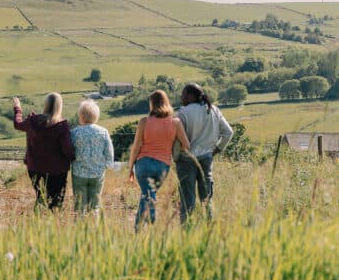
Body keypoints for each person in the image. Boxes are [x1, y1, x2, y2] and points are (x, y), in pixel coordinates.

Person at [127, 90, 191, 229]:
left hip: (143, 164)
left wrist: (131, 167)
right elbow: (186, 145)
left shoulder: (144, 122)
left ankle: (141, 228)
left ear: (151, 104)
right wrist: (173, 149)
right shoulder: (175, 122)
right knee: (150, 194)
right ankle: (148, 228)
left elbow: (136, 147)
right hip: (162, 165)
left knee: (147, 195)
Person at [175, 82, 234, 223]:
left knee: (187, 200)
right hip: (207, 158)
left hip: (186, 159)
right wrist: (218, 149)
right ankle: (209, 231)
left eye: (183, 94)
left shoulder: (182, 113)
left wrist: (176, 157)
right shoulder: (214, 110)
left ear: (189, 96)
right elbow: (228, 132)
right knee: (206, 199)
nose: (181, 97)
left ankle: (186, 231)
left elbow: (177, 140)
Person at [13, 93, 75, 211]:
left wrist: (17, 108)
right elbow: (67, 150)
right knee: (55, 201)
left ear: (46, 104)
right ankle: (52, 225)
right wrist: (75, 158)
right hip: (57, 171)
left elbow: (18, 124)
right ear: (59, 106)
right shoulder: (62, 126)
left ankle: (37, 224)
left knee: (40, 197)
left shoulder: (32, 121)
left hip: (34, 168)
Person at [68, 99, 114, 215]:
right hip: (97, 173)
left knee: (79, 207)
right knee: (95, 206)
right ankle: (95, 228)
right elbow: (109, 151)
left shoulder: (74, 133)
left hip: (79, 173)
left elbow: (70, 151)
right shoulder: (103, 132)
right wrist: (108, 164)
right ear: (96, 116)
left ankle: (80, 228)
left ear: (81, 116)